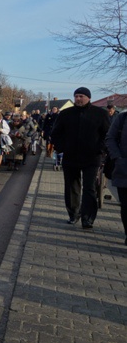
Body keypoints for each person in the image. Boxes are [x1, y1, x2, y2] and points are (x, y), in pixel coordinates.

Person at [51, 87, 110, 228]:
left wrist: (100, 150)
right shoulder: (65, 114)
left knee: (89, 187)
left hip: (92, 157)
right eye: (76, 96)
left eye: (81, 96)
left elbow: (107, 135)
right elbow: (56, 133)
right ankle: (73, 213)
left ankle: (87, 218)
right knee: (72, 186)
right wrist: (62, 147)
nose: (78, 98)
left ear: (88, 98)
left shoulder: (100, 114)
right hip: (71, 156)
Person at [104, 109, 127, 244]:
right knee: (126, 205)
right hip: (124, 169)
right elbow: (110, 137)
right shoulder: (122, 118)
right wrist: (117, 157)